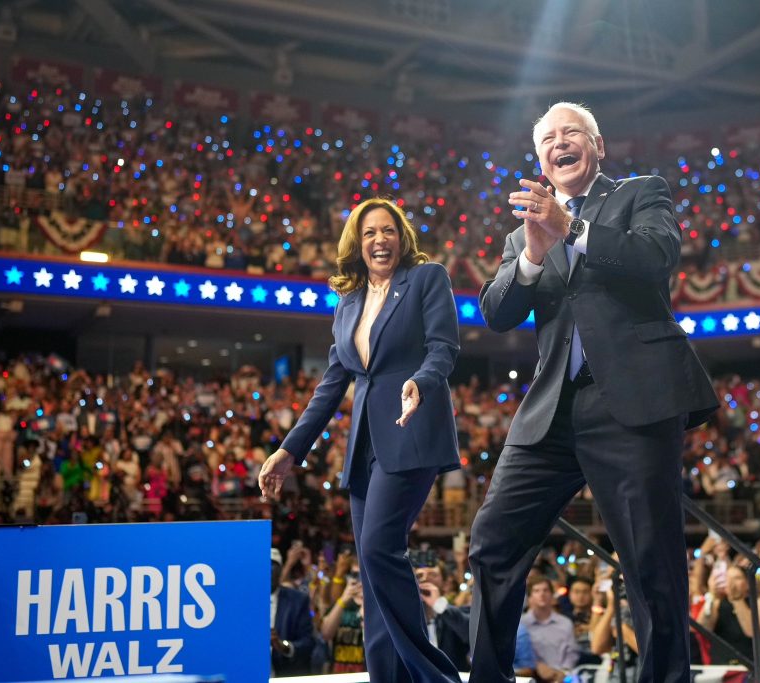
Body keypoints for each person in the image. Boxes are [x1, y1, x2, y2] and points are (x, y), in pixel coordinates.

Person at [468, 101, 718, 683]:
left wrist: (571, 229)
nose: (560, 143)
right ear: (539, 159)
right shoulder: (523, 233)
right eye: (548, 139)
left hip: (632, 404)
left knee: (650, 560)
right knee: (492, 541)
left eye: (571, 133)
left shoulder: (640, 193)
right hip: (551, 411)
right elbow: (497, 312)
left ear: (598, 147)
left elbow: (656, 256)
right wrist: (532, 254)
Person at [259, 197, 462, 683]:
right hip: (364, 449)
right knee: (371, 574)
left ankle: (436, 678)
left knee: (377, 549)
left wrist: (421, 383)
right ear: (357, 242)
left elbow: (443, 348)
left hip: (410, 432)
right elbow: (332, 384)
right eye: (369, 232)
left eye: (388, 230)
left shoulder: (426, 278)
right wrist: (289, 450)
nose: (379, 240)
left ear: (401, 237)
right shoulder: (348, 303)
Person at [270, 547, 314, 676]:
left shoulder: (297, 600)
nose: (268, 570)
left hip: (285, 672)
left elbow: (308, 642)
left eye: (273, 566)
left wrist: (283, 646)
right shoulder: (244, 600)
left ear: (280, 570)